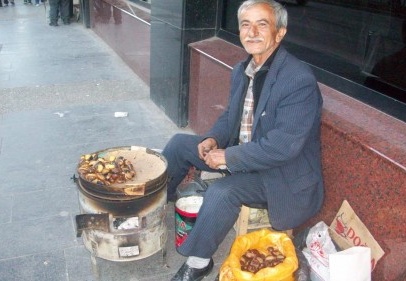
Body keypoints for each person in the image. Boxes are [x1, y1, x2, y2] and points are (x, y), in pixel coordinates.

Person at [162, 0, 324, 280]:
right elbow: (230, 116)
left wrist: (228, 157)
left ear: (280, 33)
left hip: (280, 173)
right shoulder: (243, 70)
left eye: (262, 24)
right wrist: (214, 138)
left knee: (222, 192)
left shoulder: (298, 80)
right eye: (245, 25)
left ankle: (199, 263)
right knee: (179, 144)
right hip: (245, 154)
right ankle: (158, 203)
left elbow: (283, 147)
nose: (252, 32)